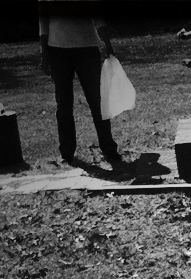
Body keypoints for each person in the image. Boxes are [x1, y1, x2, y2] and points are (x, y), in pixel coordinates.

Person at [38, 5, 122, 165]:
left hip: (87, 49)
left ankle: (109, 149)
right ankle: (67, 153)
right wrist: (44, 53)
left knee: (97, 101)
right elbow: (43, 19)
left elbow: (97, 15)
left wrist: (106, 42)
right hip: (57, 51)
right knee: (63, 104)